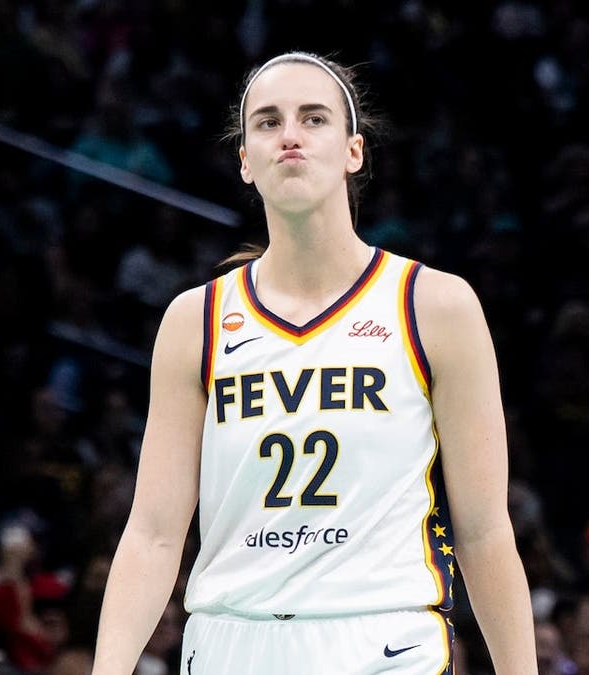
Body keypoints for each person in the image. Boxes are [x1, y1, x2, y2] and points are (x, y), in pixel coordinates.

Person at [92, 51, 537, 674]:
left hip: (385, 640)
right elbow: (153, 533)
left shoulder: (435, 305)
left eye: (314, 118)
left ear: (353, 151)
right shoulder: (195, 320)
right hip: (229, 642)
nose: (290, 135)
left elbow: (485, 531)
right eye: (268, 122)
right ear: (245, 161)